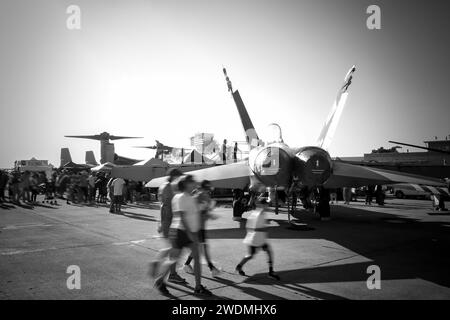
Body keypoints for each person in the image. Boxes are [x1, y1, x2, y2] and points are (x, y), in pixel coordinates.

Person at [152, 175, 212, 296]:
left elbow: (195, 213)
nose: (195, 183)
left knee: (192, 257)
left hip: (188, 232)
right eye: (192, 182)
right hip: (181, 232)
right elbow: (182, 216)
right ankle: (160, 281)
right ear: (186, 184)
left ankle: (198, 286)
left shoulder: (190, 197)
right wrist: (191, 234)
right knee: (174, 259)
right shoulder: (180, 197)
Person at [235, 198, 280, 280]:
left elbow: (248, 226)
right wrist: (264, 229)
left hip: (253, 238)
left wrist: (250, 234)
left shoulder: (254, 213)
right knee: (267, 252)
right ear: (261, 205)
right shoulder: (260, 214)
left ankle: (239, 266)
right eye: (265, 204)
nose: (267, 205)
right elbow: (257, 228)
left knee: (250, 255)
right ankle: (270, 272)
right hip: (257, 239)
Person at [183, 180, 221, 277]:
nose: (208, 191)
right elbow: (195, 211)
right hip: (197, 227)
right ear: (205, 188)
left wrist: (209, 212)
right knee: (203, 248)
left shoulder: (204, 196)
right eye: (207, 189)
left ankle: (187, 264)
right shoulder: (199, 196)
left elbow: (205, 211)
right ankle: (212, 269)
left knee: (198, 247)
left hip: (200, 227)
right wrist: (208, 212)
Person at [158, 168, 183, 238]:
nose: (180, 178)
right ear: (174, 176)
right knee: (171, 239)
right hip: (168, 215)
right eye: (178, 176)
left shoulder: (167, 185)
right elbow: (167, 203)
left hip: (168, 214)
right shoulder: (168, 186)